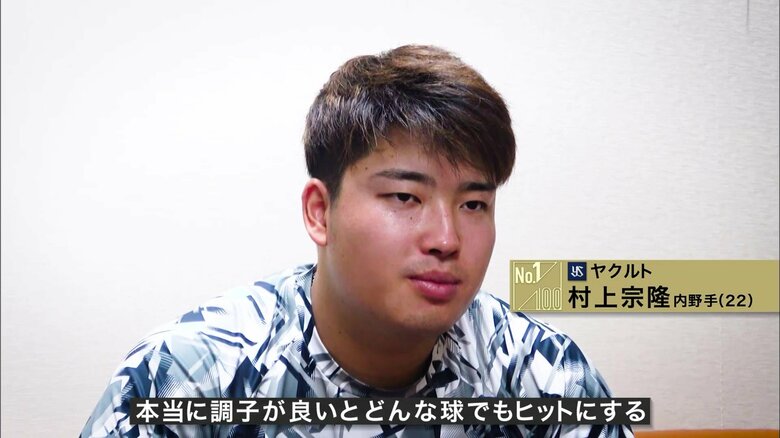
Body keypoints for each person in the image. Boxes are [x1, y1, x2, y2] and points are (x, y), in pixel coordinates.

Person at [82, 45, 633, 438]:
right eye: (405, 197)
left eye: (473, 205)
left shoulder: (540, 374)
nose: (447, 239)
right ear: (320, 212)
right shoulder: (187, 376)